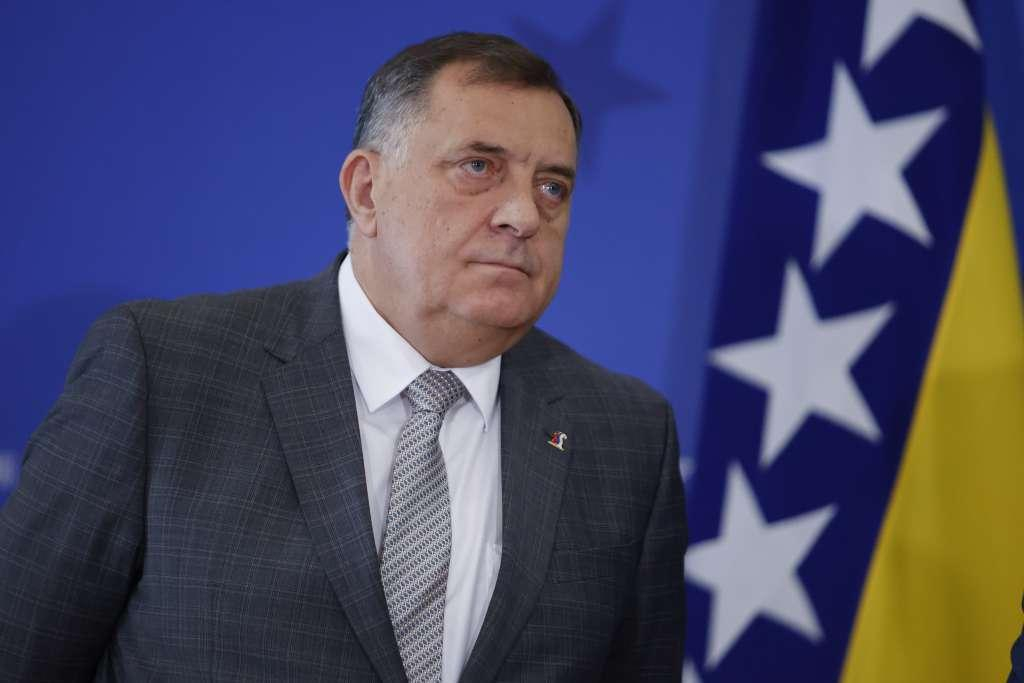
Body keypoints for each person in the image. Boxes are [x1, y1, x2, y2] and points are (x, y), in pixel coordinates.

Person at [0, 32, 686, 681]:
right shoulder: (164, 370)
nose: (524, 215)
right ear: (366, 191)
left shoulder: (626, 435)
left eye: (552, 186)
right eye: (479, 167)